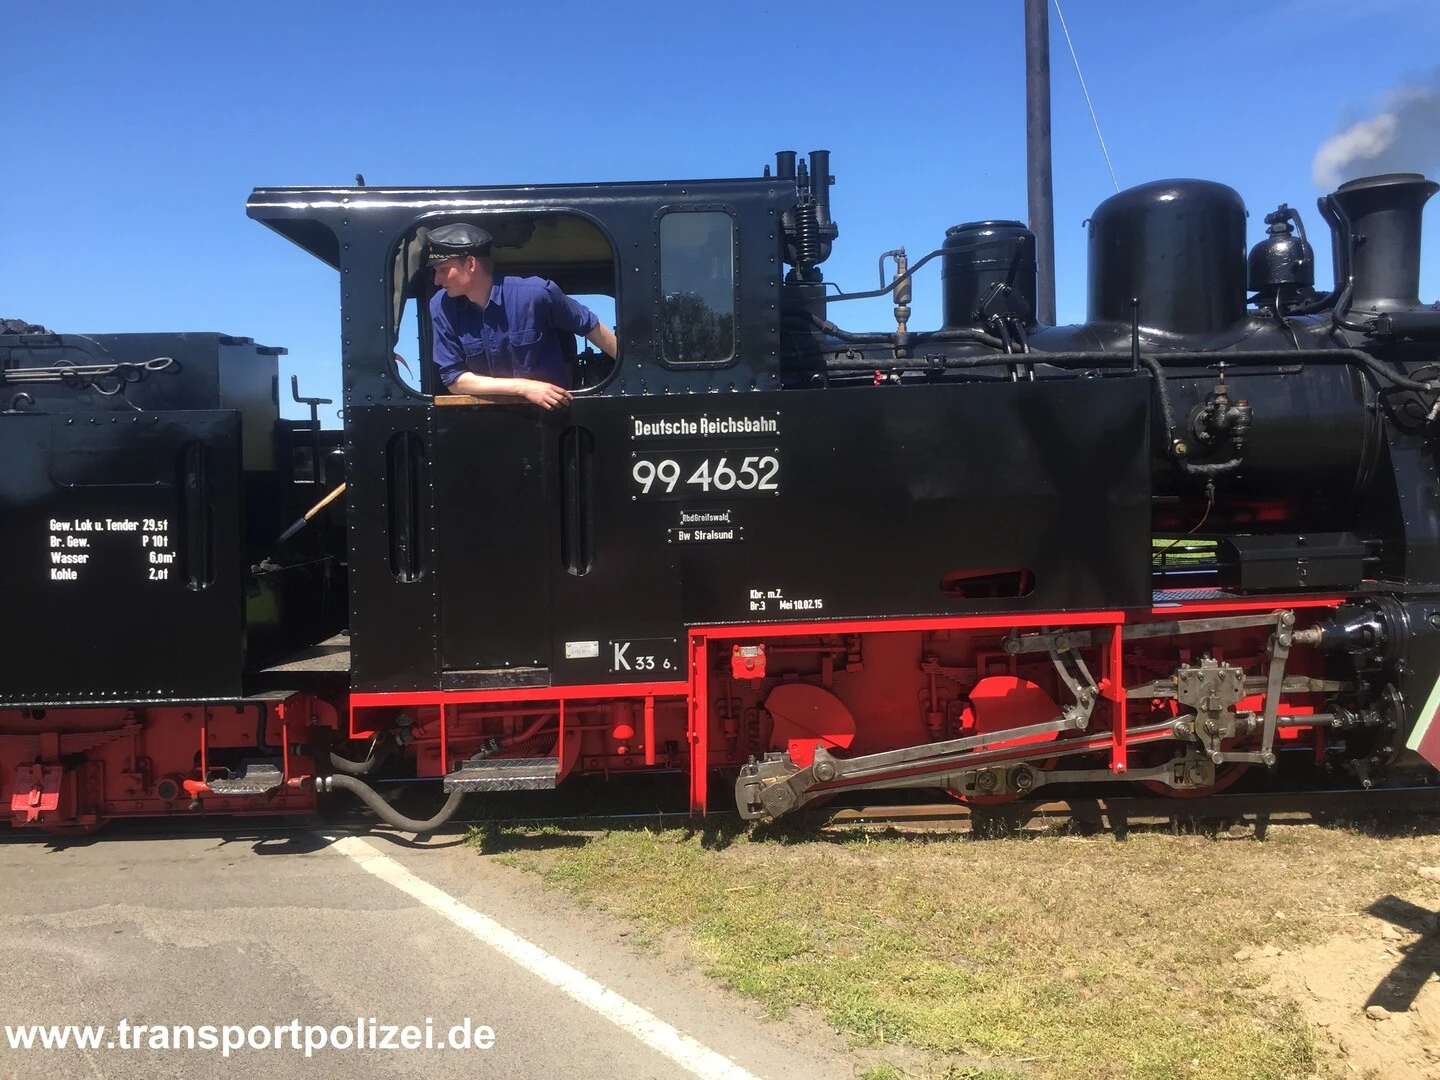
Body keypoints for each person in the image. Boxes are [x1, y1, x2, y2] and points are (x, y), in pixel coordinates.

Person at [425, 223, 618, 409]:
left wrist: (633, 377)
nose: (436, 280)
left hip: (553, 416)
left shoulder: (537, 293)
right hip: (484, 419)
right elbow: (454, 379)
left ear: (470, 264)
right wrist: (524, 388)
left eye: (443, 269)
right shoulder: (441, 306)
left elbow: (591, 327)